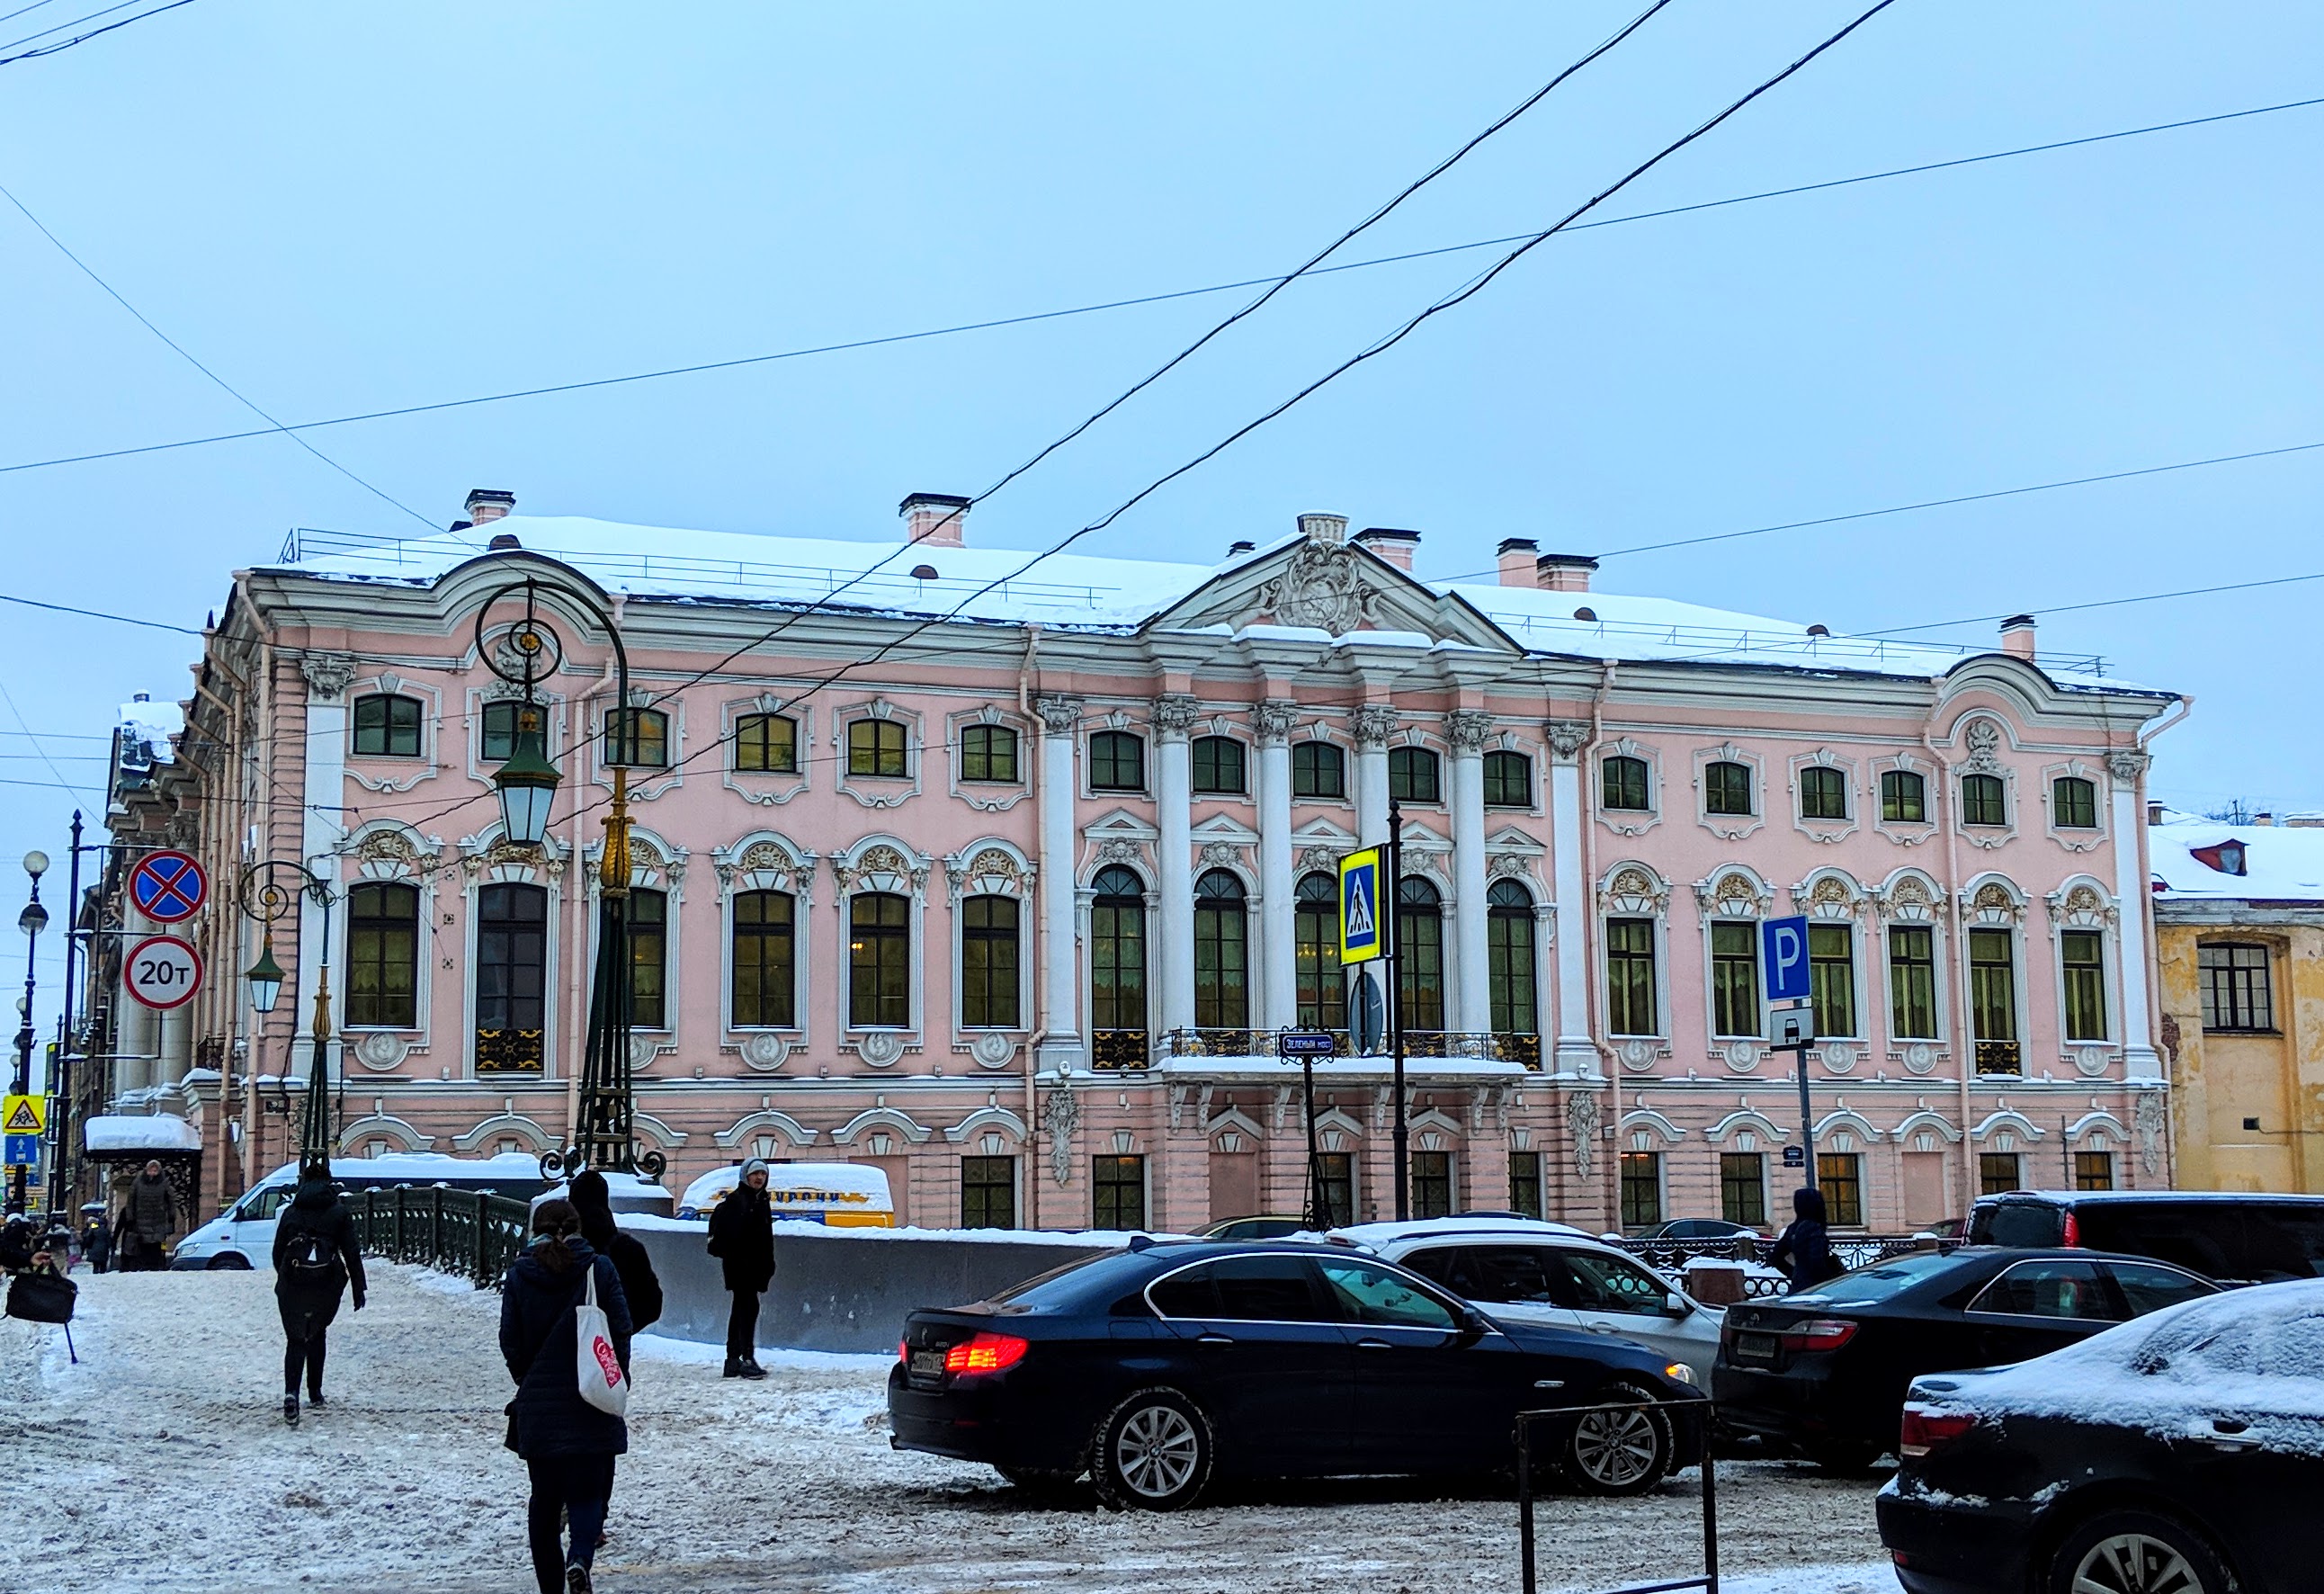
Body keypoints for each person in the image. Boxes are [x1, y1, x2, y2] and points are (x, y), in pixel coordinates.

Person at [501, 1198, 631, 1594]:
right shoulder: (599, 1269)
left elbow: (510, 1339)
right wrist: (616, 1378)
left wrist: (527, 1379)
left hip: (539, 1407)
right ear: (577, 1227)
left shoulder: (520, 1273)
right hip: (592, 1397)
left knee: (544, 1501)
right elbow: (620, 1329)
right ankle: (579, 1559)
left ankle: (550, 1588)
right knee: (588, 1493)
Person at [272, 1172, 365, 1425]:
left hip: (294, 1283)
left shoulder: (291, 1212)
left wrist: (286, 1277)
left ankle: (291, 1393)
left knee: (295, 1338)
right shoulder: (338, 1212)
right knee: (316, 1332)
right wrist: (358, 1287)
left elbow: (277, 1251)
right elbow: (351, 1251)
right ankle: (315, 1391)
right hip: (326, 1283)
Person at [568, 1169, 662, 1335]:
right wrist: (621, 1330)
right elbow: (651, 1304)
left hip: (561, 1344)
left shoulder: (557, 1249)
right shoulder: (629, 1248)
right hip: (610, 1346)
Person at [705, 1159, 774, 1379]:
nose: (759, 1178)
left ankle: (733, 1360)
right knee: (747, 1310)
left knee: (741, 1310)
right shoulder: (738, 1201)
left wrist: (767, 1265)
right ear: (745, 1176)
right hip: (741, 1267)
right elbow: (736, 1238)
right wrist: (747, 1261)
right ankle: (746, 1358)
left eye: (763, 1174)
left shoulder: (760, 1199)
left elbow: (765, 1238)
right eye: (755, 1173)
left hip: (751, 1267)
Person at [1768, 1186, 1842, 1292]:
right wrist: (1828, 1279)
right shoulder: (1814, 1228)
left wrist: (1795, 1274)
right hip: (1817, 1287)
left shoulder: (1793, 1228)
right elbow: (1817, 1261)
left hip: (1798, 1285)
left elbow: (1775, 1257)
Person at [116, 1160, 177, 1271]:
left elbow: (171, 1201)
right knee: (143, 1246)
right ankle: (145, 1267)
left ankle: (154, 1266)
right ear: (147, 1170)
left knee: (156, 1246)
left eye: (155, 1171)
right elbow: (131, 1201)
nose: (153, 1173)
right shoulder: (138, 1182)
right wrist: (130, 1218)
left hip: (158, 1221)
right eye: (151, 1170)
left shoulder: (164, 1183)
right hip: (141, 1222)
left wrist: (171, 1217)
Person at [80, 1206, 110, 1274]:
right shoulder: (106, 1231)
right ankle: (103, 1274)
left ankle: (96, 1273)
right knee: (103, 1265)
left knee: (96, 1265)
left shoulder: (93, 1230)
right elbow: (109, 1241)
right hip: (104, 1250)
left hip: (94, 1249)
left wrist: (86, 1247)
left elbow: (88, 1239)